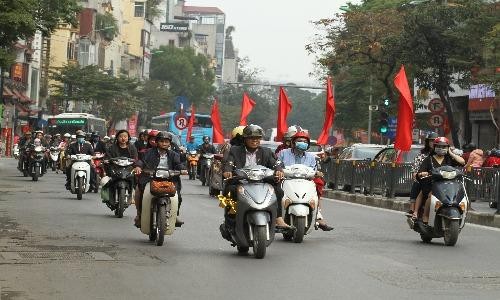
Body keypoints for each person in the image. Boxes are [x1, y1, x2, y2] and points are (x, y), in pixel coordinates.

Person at [221, 124, 292, 231]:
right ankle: (230, 220)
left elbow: (275, 163)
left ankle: (278, 218)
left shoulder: (267, 151)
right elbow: (229, 163)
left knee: (278, 190)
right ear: (245, 139)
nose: (255, 140)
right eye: (251, 138)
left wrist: (279, 170)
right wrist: (227, 171)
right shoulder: (235, 150)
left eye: (258, 138)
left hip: (262, 182)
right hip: (241, 182)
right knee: (228, 190)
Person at [277, 130, 334, 231]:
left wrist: (317, 173)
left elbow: (314, 170)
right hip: (286, 180)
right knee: (275, 189)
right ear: (293, 142)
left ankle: (318, 215)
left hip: (305, 181)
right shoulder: (283, 153)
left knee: (318, 184)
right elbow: (277, 164)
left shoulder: (311, 157)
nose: (302, 143)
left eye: (305, 141)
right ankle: (276, 216)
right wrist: (279, 171)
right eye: (299, 140)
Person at [133, 131, 186, 228]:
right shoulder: (149, 152)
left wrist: (182, 169)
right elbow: (142, 161)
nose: (164, 144)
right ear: (157, 142)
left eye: (167, 142)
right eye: (162, 141)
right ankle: (140, 215)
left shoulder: (174, 155)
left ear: (170, 143)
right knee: (141, 192)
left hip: (169, 179)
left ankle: (175, 215)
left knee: (178, 196)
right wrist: (138, 167)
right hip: (150, 178)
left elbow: (178, 164)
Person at [413, 137, 465, 224]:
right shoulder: (428, 159)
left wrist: (451, 153)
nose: (442, 149)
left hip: (449, 185)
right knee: (430, 195)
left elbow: (462, 162)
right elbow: (420, 172)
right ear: (435, 147)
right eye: (439, 146)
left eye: (444, 147)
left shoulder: (450, 159)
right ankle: (424, 216)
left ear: (448, 148)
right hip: (432, 184)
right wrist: (422, 173)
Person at [407, 132, 438, 216]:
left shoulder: (442, 155)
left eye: (435, 141)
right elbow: (415, 170)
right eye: (431, 141)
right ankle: (413, 209)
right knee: (417, 184)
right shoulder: (422, 155)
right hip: (426, 179)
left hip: (439, 180)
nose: (433, 143)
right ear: (428, 142)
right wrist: (420, 175)